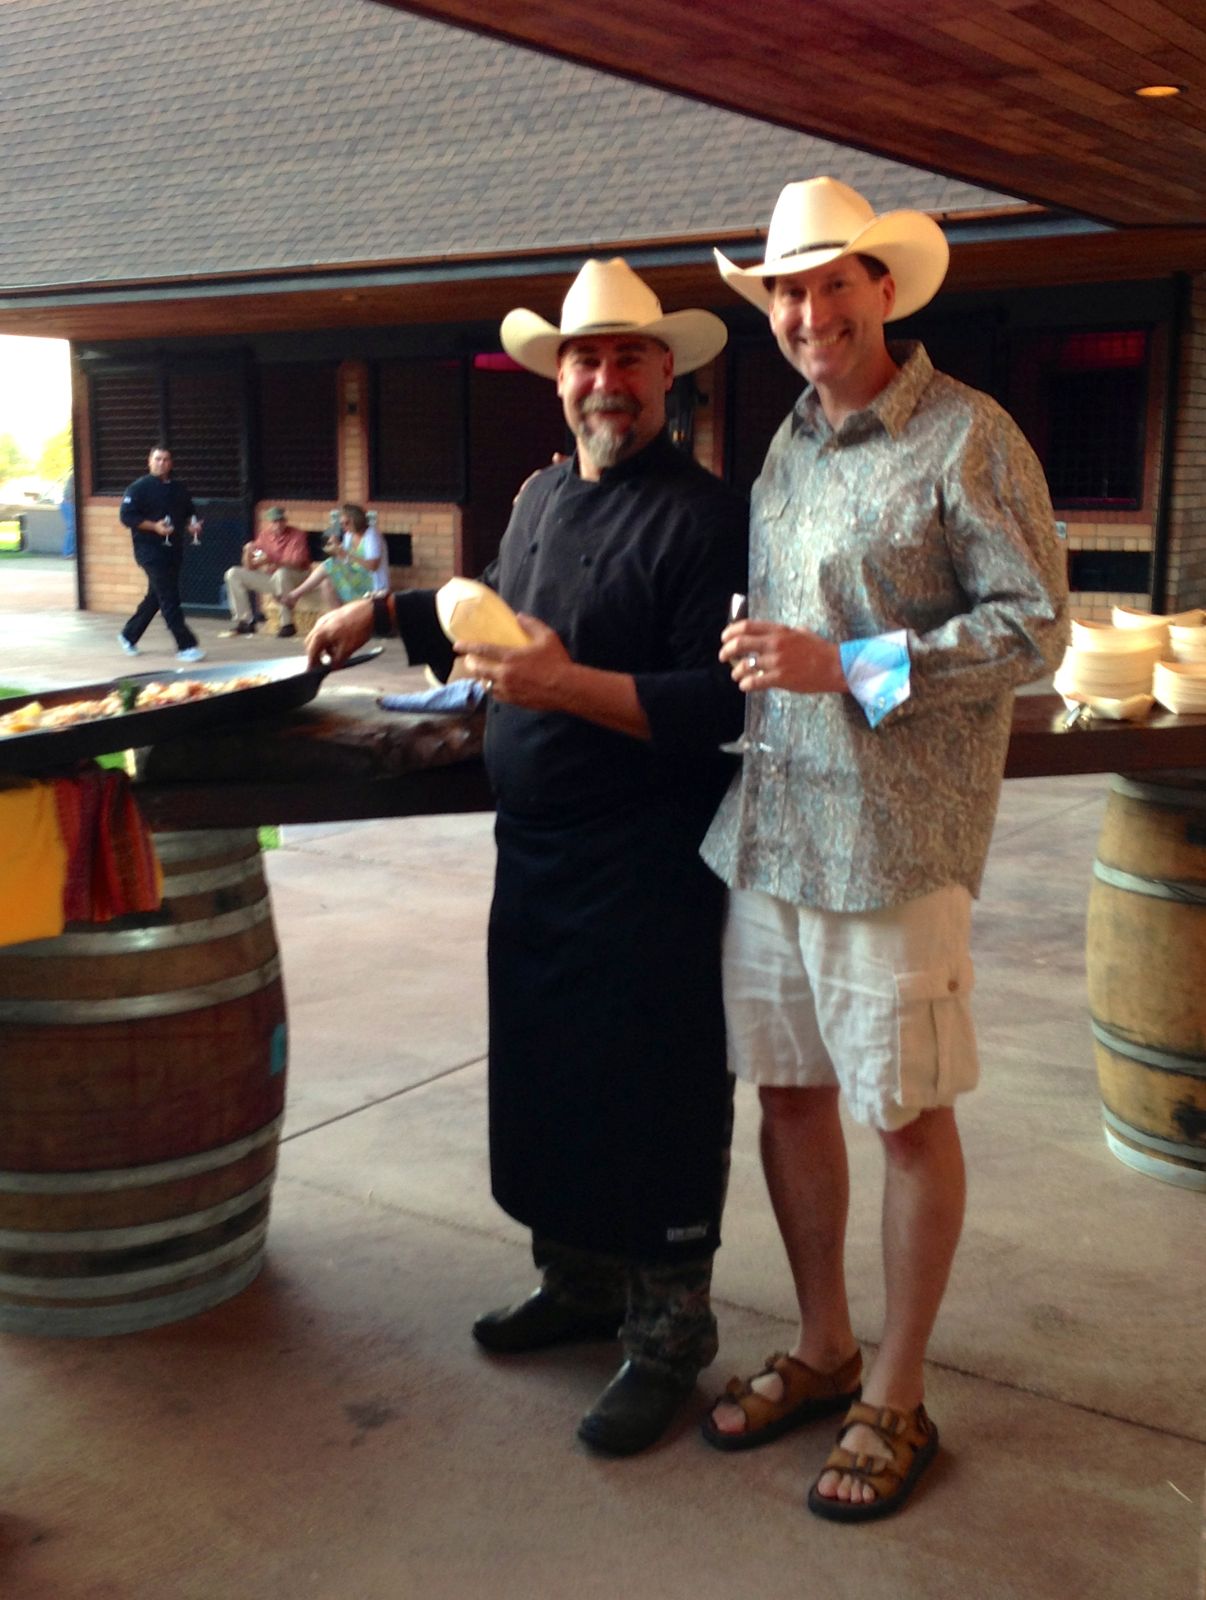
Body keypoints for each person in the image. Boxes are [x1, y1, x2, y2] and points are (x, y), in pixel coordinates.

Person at [307, 258, 748, 1457]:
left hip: (653, 859)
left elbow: (717, 701)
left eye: (628, 359)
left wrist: (563, 687)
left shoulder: (709, 518)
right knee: (554, 1078)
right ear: (559, 379)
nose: (607, 380)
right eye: (585, 359)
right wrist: (379, 611)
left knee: (652, 1092)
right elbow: (494, 605)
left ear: (670, 374)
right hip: (539, 854)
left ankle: (667, 1336)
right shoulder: (546, 498)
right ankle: (581, 1283)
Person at [699, 178, 1069, 1520]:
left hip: (894, 844)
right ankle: (823, 1345)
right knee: (787, 1097)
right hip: (775, 824)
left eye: (827, 284)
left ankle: (897, 1396)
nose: (804, 312)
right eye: (783, 292)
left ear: (883, 289)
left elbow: (1033, 632)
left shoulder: (970, 436)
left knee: (906, 1119)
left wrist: (843, 663)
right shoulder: (786, 447)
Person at [117, 445, 205, 662]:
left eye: (165, 459)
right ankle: (186, 645)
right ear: (149, 461)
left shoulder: (179, 488)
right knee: (169, 597)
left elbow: (189, 513)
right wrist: (154, 526)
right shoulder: (138, 488)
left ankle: (129, 635)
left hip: (173, 549)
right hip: (149, 551)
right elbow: (126, 517)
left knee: (156, 597)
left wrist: (191, 526)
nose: (161, 463)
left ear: (170, 463)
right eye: (157, 459)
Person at [223, 506, 311, 637]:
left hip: (297, 576)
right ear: (269, 523)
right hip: (274, 577)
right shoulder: (264, 535)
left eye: (281, 520)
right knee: (233, 573)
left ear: (285, 521)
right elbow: (249, 567)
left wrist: (272, 560)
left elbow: (297, 563)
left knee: (282, 573)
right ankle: (246, 622)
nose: (278, 524)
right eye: (275, 521)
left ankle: (287, 624)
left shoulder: (297, 535)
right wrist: (247, 551)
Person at [278, 504, 377, 620]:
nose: (343, 527)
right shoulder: (349, 535)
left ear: (356, 521)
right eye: (342, 524)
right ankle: (340, 622)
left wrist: (345, 553)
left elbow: (373, 566)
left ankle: (294, 595)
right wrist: (337, 548)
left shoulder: (371, 536)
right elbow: (345, 560)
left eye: (346, 523)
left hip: (371, 584)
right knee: (326, 583)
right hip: (354, 578)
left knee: (329, 563)